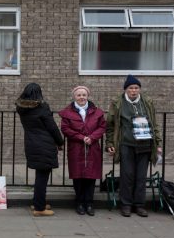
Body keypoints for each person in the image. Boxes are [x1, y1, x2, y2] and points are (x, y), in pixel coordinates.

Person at [106, 74, 162, 217]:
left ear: (139, 89)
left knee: (141, 177)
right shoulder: (117, 103)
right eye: (131, 88)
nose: (134, 91)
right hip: (126, 144)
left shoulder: (147, 102)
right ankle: (126, 205)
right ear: (126, 89)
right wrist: (110, 143)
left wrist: (158, 142)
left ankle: (139, 205)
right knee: (127, 176)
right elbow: (110, 126)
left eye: (136, 88)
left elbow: (154, 123)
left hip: (145, 144)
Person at [16, 83, 64, 216]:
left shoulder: (21, 108)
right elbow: (52, 127)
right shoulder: (42, 107)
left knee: (39, 176)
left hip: (31, 144)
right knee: (42, 178)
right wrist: (60, 141)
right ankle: (39, 208)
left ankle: (38, 202)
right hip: (45, 144)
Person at [59, 86, 106, 216]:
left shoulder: (97, 112)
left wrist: (92, 137)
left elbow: (102, 127)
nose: (81, 97)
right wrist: (81, 137)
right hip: (76, 148)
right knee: (78, 176)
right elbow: (65, 129)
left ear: (88, 96)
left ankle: (89, 203)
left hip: (93, 147)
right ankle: (79, 202)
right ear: (74, 96)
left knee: (91, 177)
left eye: (84, 95)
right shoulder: (67, 112)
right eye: (79, 95)